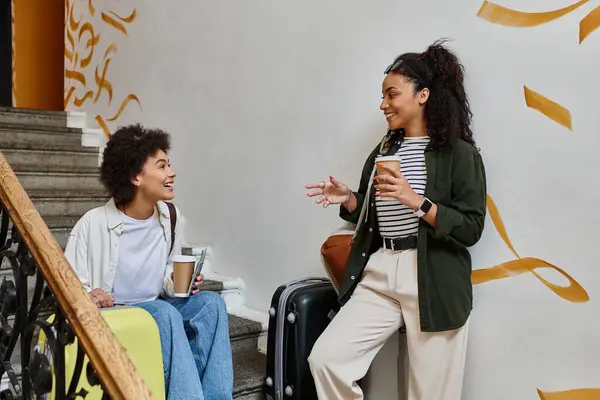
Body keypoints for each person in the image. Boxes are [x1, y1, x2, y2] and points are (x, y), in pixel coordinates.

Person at [305, 39, 487, 400]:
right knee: (327, 360)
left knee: (429, 395)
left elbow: (470, 227)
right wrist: (351, 199)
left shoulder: (459, 154)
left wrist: (416, 201)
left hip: (433, 276)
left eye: (392, 94)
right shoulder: (386, 149)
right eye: (382, 95)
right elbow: (375, 213)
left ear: (422, 95)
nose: (383, 104)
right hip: (381, 270)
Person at [65, 124, 233, 400]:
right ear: (135, 177)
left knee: (212, 304)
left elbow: (167, 271)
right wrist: (90, 294)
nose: (171, 173)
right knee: (164, 314)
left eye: (169, 165)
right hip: (117, 313)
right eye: (162, 166)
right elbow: (67, 285)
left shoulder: (170, 216)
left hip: (156, 305)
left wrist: (179, 284)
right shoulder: (92, 224)